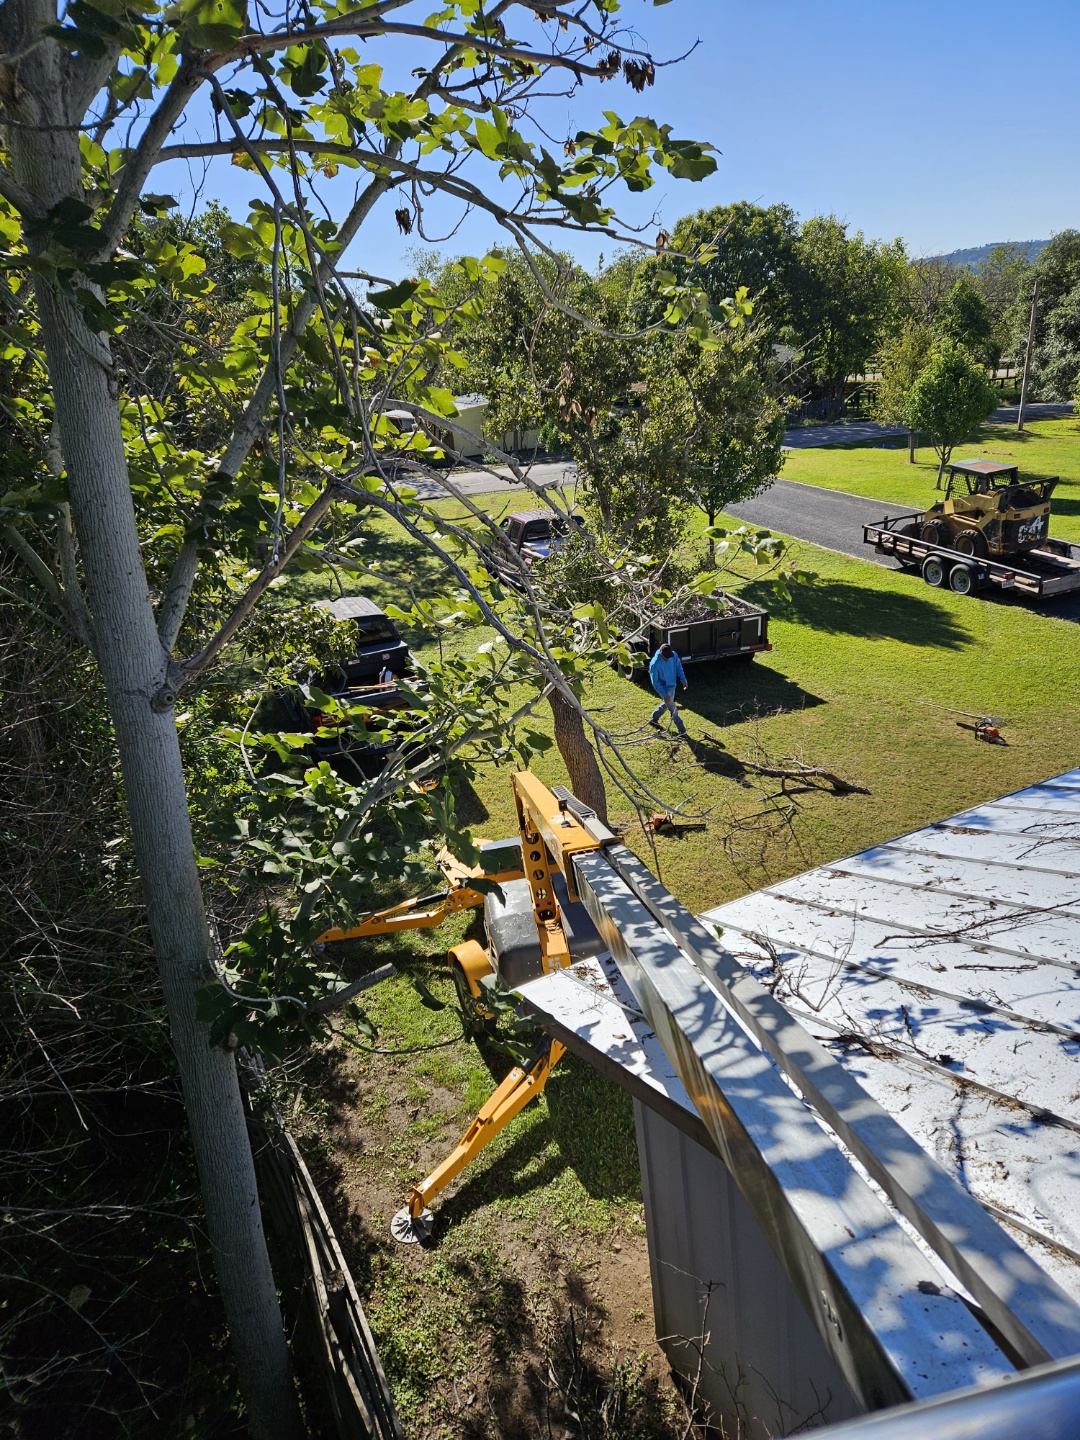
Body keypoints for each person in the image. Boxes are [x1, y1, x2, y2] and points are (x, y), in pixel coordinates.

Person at [648, 642, 688, 734]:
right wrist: (664, 694)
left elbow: (679, 668)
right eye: (667, 657)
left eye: (670, 656)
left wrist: (684, 680)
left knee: (666, 704)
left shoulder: (673, 655)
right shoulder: (655, 664)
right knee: (673, 709)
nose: (669, 658)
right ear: (661, 654)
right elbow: (655, 682)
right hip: (664, 688)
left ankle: (653, 719)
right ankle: (682, 731)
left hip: (672, 686)